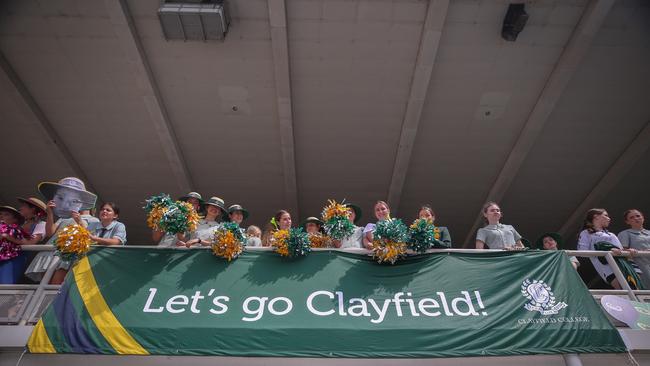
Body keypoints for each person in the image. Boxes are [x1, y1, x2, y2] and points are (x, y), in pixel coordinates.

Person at [26, 177, 97, 284]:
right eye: (61, 197)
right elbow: (50, 233)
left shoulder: (94, 220)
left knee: (56, 285)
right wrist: (49, 213)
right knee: (44, 284)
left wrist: (79, 221)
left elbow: (91, 239)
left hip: (67, 256)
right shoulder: (64, 218)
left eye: (75, 200)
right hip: (50, 253)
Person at [577, 208, 628, 289]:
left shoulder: (611, 234)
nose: (609, 218)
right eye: (606, 215)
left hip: (623, 265)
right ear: (596, 216)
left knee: (634, 288)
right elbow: (582, 253)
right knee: (623, 289)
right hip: (607, 268)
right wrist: (606, 251)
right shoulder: (586, 233)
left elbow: (621, 250)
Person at [618, 209, 650, 288]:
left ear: (643, 218)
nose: (636, 218)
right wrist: (630, 251)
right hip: (641, 268)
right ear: (627, 222)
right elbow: (621, 251)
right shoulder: (625, 233)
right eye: (632, 217)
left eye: (638, 216)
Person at [0, 206, 27, 284]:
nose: (1, 216)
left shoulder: (15, 230)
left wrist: (6, 236)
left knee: (5, 285)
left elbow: (24, 242)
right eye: (0, 214)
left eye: (6, 214)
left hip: (9, 261)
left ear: (15, 220)